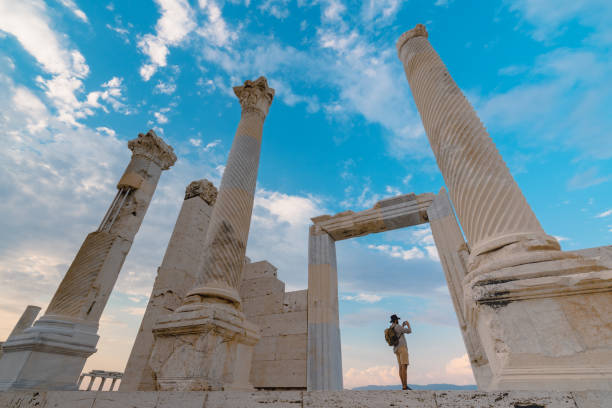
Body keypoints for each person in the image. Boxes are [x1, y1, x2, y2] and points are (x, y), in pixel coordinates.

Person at [389, 314, 412, 390]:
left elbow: (399, 332)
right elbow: (409, 331)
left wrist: (402, 326)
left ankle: (403, 385)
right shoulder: (398, 327)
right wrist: (408, 324)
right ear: (396, 320)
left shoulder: (391, 328)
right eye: (397, 320)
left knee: (400, 367)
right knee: (404, 367)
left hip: (396, 349)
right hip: (402, 348)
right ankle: (405, 386)